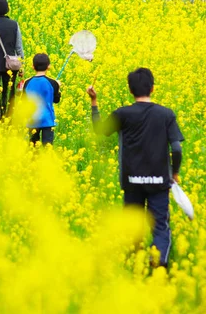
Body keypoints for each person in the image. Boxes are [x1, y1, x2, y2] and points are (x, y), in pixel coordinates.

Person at [87, 67, 184, 268]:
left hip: (131, 181)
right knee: (160, 227)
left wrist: (94, 102)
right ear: (153, 88)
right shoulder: (166, 114)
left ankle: (135, 263)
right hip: (158, 182)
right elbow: (176, 148)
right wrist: (174, 173)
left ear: (131, 90)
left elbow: (99, 130)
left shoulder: (123, 113)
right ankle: (158, 262)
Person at [23, 53, 61, 145]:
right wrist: (58, 87)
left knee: (33, 148)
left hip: (32, 120)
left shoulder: (27, 82)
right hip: (47, 120)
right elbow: (56, 100)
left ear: (33, 66)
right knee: (47, 149)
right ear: (49, 66)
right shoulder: (52, 83)